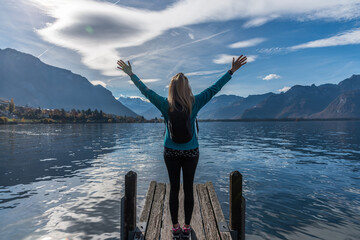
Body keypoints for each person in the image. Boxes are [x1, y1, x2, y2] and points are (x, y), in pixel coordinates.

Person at [117, 55, 247, 238]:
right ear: (187, 88)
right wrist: (231, 71)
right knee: (188, 189)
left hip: (170, 151)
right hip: (191, 151)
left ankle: (175, 227)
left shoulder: (165, 104)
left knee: (174, 188)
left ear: (171, 88)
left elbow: (145, 91)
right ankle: (187, 227)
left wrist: (131, 75)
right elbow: (214, 89)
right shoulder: (195, 102)